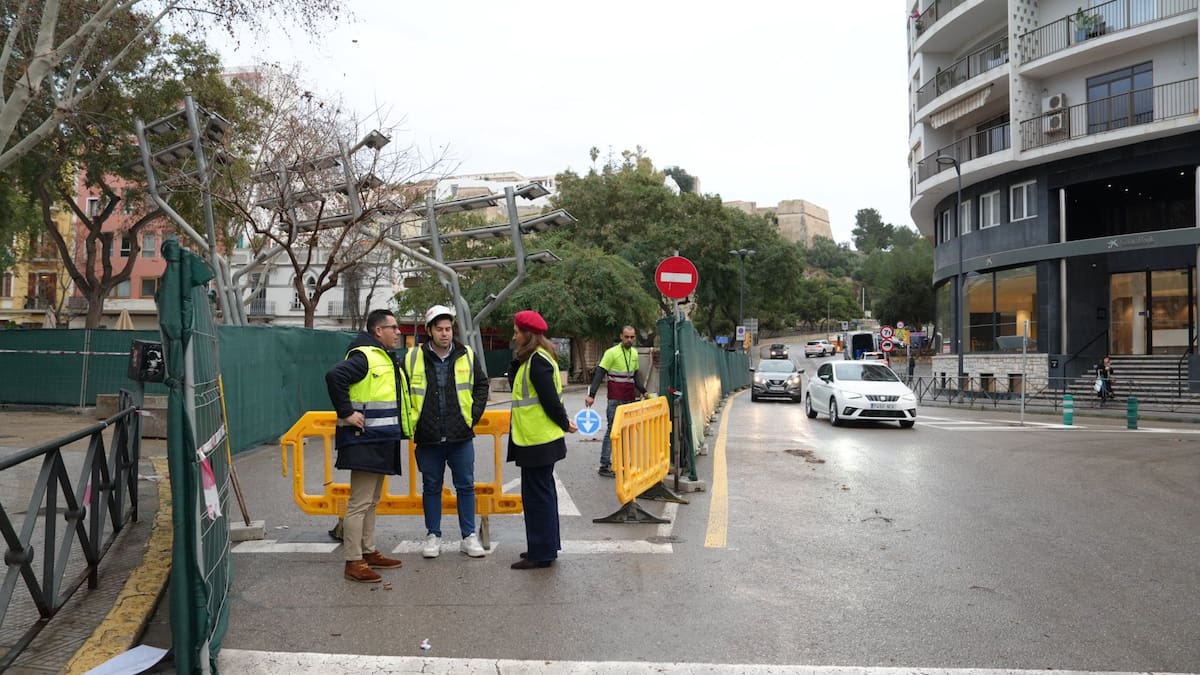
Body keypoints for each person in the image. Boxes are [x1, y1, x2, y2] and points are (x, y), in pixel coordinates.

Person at [325, 308, 409, 583]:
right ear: (378, 331)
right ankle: (353, 560)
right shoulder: (364, 356)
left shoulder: (381, 356)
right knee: (359, 503)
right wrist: (346, 413)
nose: (398, 332)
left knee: (371, 501)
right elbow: (334, 376)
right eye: (393, 328)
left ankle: (368, 551)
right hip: (364, 440)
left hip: (380, 438)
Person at [406, 304, 490, 559]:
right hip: (428, 435)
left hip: (460, 435)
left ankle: (468, 537)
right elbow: (402, 391)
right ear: (429, 331)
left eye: (448, 329)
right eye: (439, 329)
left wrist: (472, 417)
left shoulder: (467, 354)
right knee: (431, 487)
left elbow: (481, 386)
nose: (445, 333)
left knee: (465, 486)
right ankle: (433, 536)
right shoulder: (411, 358)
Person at [507, 310, 577, 570]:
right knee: (541, 496)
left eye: (517, 332)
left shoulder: (538, 361)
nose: (514, 337)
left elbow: (549, 400)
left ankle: (542, 552)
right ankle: (544, 547)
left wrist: (564, 422)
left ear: (528, 335)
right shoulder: (534, 359)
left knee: (538, 498)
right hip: (536, 440)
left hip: (538, 440)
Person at [585, 326, 648, 478]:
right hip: (615, 398)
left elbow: (635, 376)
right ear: (621, 336)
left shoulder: (633, 353)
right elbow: (600, 373)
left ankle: (625, 463)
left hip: (629, 398)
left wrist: (644, 391)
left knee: (627, 431)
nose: (629, 340)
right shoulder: (611, 353)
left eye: (632, 337)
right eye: (626, 337)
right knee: (612, 430)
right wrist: (591, 394)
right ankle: (604, 465)